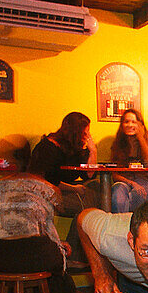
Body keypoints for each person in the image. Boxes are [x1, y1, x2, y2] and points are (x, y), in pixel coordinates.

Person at [0, 172, 77, 293]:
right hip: (37, 256)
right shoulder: (48, 188)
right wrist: (59, 246)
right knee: (55, 267)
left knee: (39, 255)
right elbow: (51, 223)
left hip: (3, 258)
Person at [27, 111, 100, 261]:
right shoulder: (49, 147)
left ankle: (73, 252)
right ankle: (73, 254)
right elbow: (49, 179)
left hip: (61, 189)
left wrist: (93, 151)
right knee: (87, 208)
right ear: (76, 131)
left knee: (95, 191)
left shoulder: (73, 148)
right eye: (85, 132)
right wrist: (74, 189)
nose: (87, 135)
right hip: (42, 193)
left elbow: (89, 174)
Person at [109, 108, 148, 213]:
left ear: (140, 125)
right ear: (122, 125)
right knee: (117, 193)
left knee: (137, 196)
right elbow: (114, 174)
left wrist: (141, 138)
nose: (130, 125)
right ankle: (120, 226)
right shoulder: (117, 145)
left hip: (145, 181)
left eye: (134, 122)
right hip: (124, 181)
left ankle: (129, 226)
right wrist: (131, 183)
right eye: (126, 122)